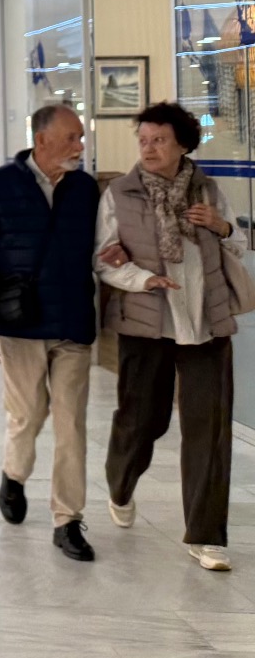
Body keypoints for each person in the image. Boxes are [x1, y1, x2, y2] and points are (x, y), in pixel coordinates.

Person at [96, 102, 243, 572]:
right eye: (143, 140)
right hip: (146, 322)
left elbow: (237, 242)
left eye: (159, 140)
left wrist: (219, 226)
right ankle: (120, 483)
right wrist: (142, 279)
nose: (149, 148)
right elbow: (102, 261)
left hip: (206, 323)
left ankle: (206, 536)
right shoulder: (120, 194)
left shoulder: (209, 189)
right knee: (143, 420)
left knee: (210, 430)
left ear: (182, 143)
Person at [0, 103, 101, 562]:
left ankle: (68, 519)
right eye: (71, 138)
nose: (79, 146)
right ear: (41, 141)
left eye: (80, 137)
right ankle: (14, 474)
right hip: (21, 324)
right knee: (28, 415)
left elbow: (102, 245)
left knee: (71, 423)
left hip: (73, 323)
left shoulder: (85, 189)